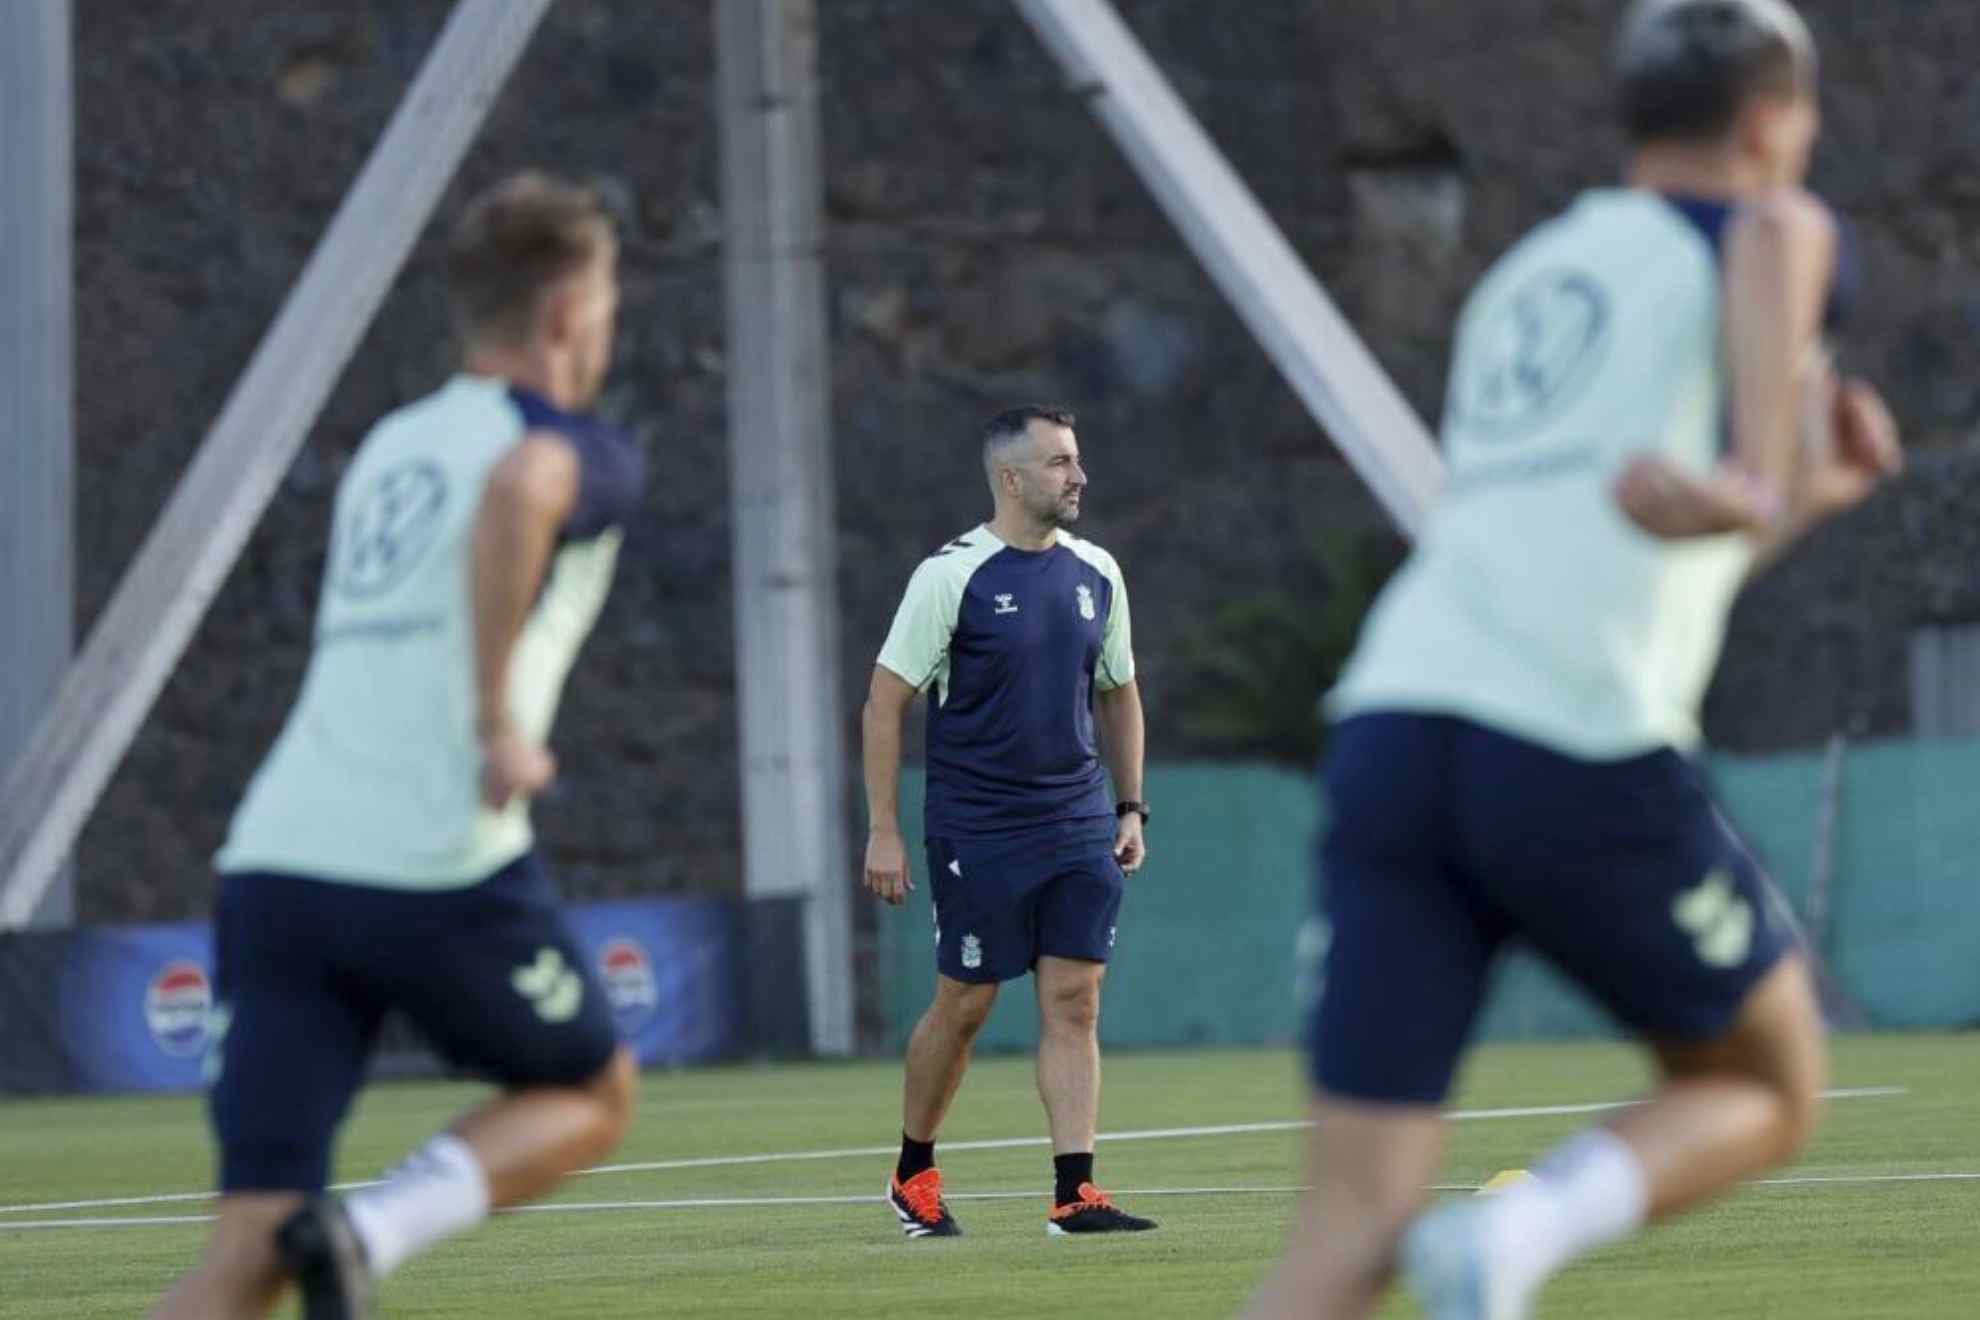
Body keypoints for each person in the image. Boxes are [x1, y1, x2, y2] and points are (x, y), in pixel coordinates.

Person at [1244, 1, 1902, 1315]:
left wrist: (1788, 501)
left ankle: (1470, 1246)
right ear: (1771, 121)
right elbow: (1786, 245)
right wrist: (1766, 485)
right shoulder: (1763, 225)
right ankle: (1516, 1235)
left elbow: (1609, 542)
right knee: (1767, 1081)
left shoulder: (1525, 278)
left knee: (1346, 1228)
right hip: (1569, 739)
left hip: (1394, 732)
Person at [151, 171, 645, 1320]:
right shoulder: (567, 441)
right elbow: (527, 489)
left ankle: (325, 1237)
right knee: (593, 1088)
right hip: (434, 861)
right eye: (608, 298)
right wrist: (495, 726)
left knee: (245, 1257)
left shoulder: (387, 445)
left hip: (275, 865)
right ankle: (369, 1231)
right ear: (570, 312)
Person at [862, 406, 1158, 1238]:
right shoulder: (949, 577)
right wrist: (883, 828)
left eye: (1077, 459)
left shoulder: (1097, 571)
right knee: (966, 1003)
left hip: (1077, 820)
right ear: (1012, 478)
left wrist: (1130, 806)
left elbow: (1119, 690)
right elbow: (886, 703)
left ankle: (1075, 1192)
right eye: (1061, 462)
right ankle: (913, 1171)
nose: (1079, 476)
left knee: (1076, 998)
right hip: (978, 829)